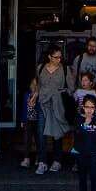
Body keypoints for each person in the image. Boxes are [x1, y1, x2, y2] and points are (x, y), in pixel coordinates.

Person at [36, 45, 71, 175]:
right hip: (43, 103)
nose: (59, 60)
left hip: (57, 104)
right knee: (40, 132)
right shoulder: (40, 68)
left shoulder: (65, 69)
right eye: (56, 57)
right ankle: (42, 161)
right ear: (49, 57)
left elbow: (71, 88)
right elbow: (38, 86)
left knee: (57, 132)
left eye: (60, 57)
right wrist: (34, 96)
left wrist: (62, 92)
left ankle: (57, 160)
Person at [18, 76, 40, 169]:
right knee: (27, 139)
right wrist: (22, 120)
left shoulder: (40, 96)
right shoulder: (26, 94)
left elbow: (40, 109)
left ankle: (39, 158)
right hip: (28, 120)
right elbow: (24, 108)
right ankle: (26, 158)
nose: (34, 86)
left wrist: (36, 98)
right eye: (33, 84)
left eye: (36, 84)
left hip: (38, 120)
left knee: (38, 139)